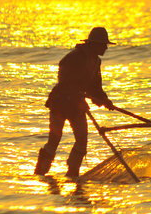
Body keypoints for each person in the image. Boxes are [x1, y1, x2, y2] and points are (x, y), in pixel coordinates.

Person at [35, 27, 116, 179]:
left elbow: (95, 87)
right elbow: (64, 78)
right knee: (54, 139)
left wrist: (104, 100)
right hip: (60, 103)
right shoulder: (74, 57)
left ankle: (72, 175)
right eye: (103, 44)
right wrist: (79, 95)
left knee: (82, 141)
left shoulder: (96, 61)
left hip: (77, 105)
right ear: (94, 44)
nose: (106, 47)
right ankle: (40, 173)